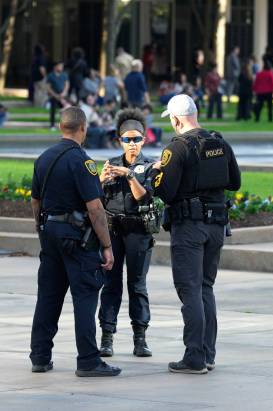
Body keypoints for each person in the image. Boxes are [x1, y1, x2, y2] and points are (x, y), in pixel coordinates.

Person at [150, 94, 241, 374]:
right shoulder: (219, 143)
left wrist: (156, 171)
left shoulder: (177, 148)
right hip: (216, 224)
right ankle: (207, 353)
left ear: (176, 120)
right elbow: (234, 182)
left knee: (189, 290)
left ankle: (194, 357)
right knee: (205, 287)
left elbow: (163, 190)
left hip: (189, 227)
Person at [29, 106, 120, 377]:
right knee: (85, 297)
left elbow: (35, 200)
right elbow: (95, 208)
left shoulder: (43, 158)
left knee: (48, 297)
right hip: (77, 239)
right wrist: (106, 244)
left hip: (50, 234)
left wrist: (40, 228)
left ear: (61, 127)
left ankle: (40, 357)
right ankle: (89, 361)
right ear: (83, 128)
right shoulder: (83, 161)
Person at [98, 108, 158, 359]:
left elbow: (144, 197)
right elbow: (96, 199)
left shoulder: (151, 166)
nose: (132, 144)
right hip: (113, 230)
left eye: (136, 139)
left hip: (138, 230)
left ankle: (140, 338)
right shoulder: (110, 165)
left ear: (144, 140)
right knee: (111, 284)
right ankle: (107, 337)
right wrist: (100, 180)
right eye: (127, 139)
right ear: (119, 141)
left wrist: (130, 174)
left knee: (137, 284)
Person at [46, 62, 70, 130]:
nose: (61, 67)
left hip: (63, 96)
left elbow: (67, 84)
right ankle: (52, 125)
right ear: (55, 67)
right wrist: (55, 95)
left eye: (62, 66)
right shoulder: (50, 75)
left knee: (65, 111)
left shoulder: (64, 75)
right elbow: (48, 87)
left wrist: (64, 92)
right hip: (54, 96)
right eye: (59, 66)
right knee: (53, 111)